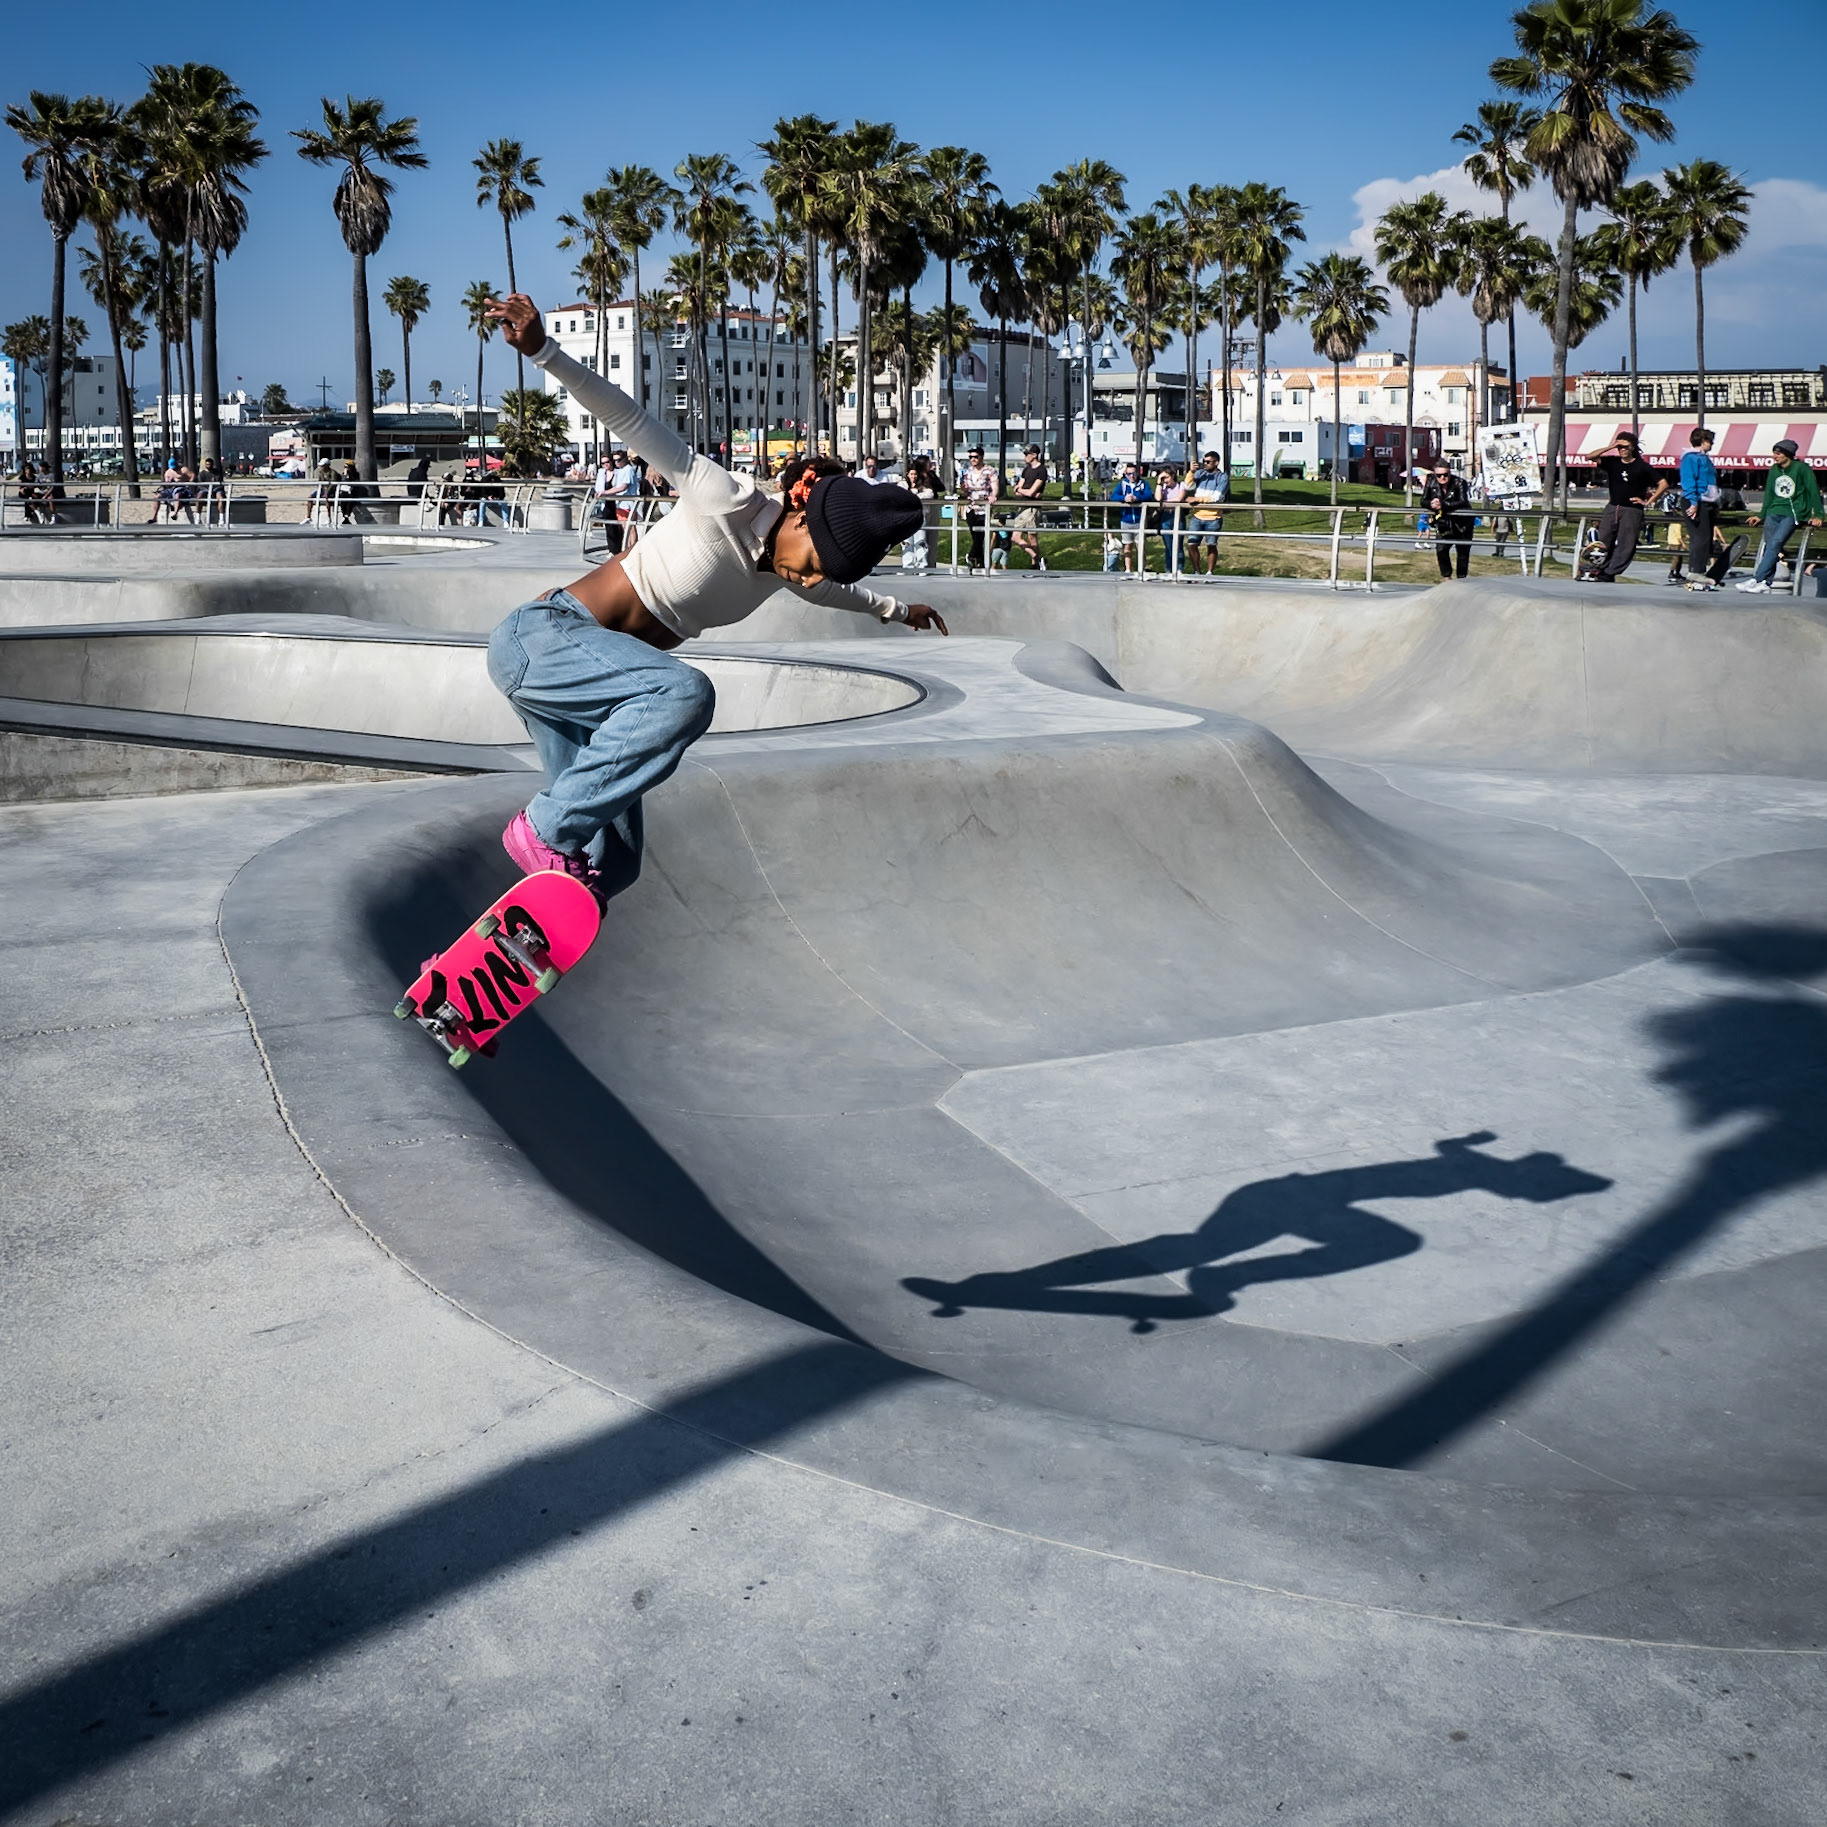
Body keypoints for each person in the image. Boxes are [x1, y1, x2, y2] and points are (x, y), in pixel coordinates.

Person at [481, 291, 945, 901]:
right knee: (685, 691)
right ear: (799, 512)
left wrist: (899, 611)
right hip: (544, 639)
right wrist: (544, 351)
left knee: (613, 863)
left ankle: (496, 962)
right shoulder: (727, 497)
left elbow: (841, 595)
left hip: (588, 701)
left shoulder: (791, 569)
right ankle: (542, 828)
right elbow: (631, 419)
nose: (807, 580)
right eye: (812, 565)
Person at [1737, 439, 1823, 595]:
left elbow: (1813, 491)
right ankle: (1765, 583)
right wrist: (1762, 515)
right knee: (1771, 548)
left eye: (1778, 453)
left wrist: (1818, 514)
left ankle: (1757, 578)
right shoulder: (1774, 470)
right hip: (1773, 512)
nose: (1774, 456)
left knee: (1775, 544)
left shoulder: (1802, 469)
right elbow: (1769, 494)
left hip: (1792, 513)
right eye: (1774, 453)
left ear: (1787, 454)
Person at [1581, 432, 1667, 582]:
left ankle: (1610, 572)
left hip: (1631, 509)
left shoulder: (1642, 466)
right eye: (1619, 447)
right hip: (1613, 507)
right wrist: (1611, 446)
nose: (1622, 450)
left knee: (1626, 542)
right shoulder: (1613, 463)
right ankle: (1598, 568)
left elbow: (1663, 484)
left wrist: (1648, 501)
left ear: (1632, 447)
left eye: (1625, 447)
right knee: (1603, 539)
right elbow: (1590, 456)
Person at [1672, 427, 1731, 592]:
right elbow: (1689, 480)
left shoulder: (1704, 458)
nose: (1712, 444)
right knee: (1701, 537)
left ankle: (1701, 570)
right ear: (1702, 441)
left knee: (1706, 537)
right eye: (1710, 441)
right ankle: (1695, 571)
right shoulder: (1691, 458)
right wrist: (1693, 502)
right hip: (1696, 500)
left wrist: (1716, 503)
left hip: (1708, 501)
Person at [1423, 462, 1474, 579]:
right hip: (1444, 523)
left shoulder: (1460, 482)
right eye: (1439, 475)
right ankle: (1447, 577)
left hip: (1462, 523)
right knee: (1441, 550)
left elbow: (1462, 501)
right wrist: (1431, 504)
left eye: (1445, 474)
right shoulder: (1431, 482)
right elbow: (1423, 500)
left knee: (1462, 552)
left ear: (1450, 473)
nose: (1442, 478)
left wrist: (1443, 504)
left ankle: (1461, 578)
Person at [1187, 452, 1229, 573]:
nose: (1205, 464)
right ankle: (1196, 571)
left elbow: (1217, 497)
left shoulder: (1222, 477)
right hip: (1197, 516)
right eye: (1204, 461)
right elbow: (1188, 486)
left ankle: (1210, 572)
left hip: (1213, 517)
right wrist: (1191, 472)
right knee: (1191, 544)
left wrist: (1197, 499)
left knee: (1211, 545)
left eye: (1208, 462)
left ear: (1216, 463)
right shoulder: (1200, 474)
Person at [1009, 444, 1048, 570]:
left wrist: (1022, 490)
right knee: (1015, 537)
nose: (1025, 457)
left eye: (1027, 454)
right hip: (1023, 507)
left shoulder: (1041, 470)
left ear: (1034, 455)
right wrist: (1022, 490)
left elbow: (1031, 492)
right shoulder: (1026, 470)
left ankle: (1035, 563)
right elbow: (1017, 489)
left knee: (1032, 537)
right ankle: (1038, 558)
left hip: (1032, 508)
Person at [959, 447, 998, 570]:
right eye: (971, 457)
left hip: (983, 507)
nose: (973, 459)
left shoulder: (990, 470)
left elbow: (995, 485)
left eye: (975, 457)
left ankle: (971, 556)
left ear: (981, 457)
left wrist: (993, 496)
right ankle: (980, 562)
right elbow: (965, 488)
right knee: (975, 535)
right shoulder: (968, 471)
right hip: (971, 507)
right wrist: (963, 489)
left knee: (980, 534)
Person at [1111, 461, 1152, 574]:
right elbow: (1113, 496)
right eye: (1129, 474)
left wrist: (1137, 498)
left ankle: (1142, 570)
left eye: (1133, 473)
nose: (1131, 476)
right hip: (1126, 520)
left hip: (1140, 520)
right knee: (1127, 546)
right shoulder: (1122, 484)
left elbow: (1149, 496)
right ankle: (1128, 569)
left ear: (1137, 473)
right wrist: (1125, 498)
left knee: (1141, 547)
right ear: (1125, 474)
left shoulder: (1143, 484)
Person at [901, 455, 937, 574]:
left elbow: (930, 494)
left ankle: (922, 565)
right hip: (906, 517)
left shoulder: (924, 487)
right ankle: (908, 565)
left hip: (920, 516)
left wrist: (913, 497)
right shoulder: (903, 485)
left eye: (915, 474)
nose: (913, 477)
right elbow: (899, 495)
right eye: (911, 474)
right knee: (907, 542)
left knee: (920, 541)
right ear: (907, 475)